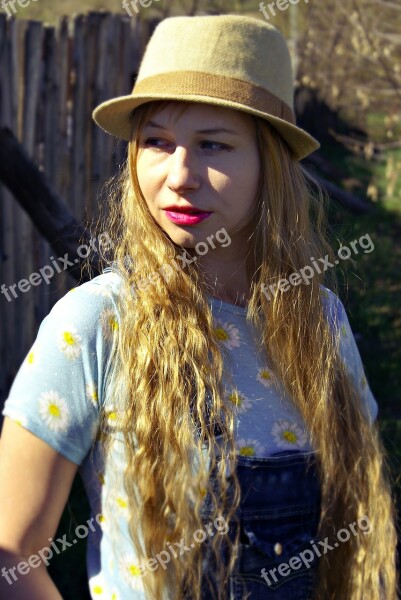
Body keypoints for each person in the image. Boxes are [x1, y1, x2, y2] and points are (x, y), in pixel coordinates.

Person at [0, 13, 398, 600]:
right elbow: (14, 555)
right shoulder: (94, 324)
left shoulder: (321, 318)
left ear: (270, 164)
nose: (180, 175)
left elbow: (365, 530)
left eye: (213, 144)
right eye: (157, 141)